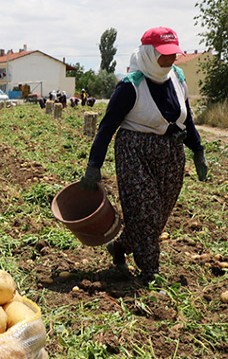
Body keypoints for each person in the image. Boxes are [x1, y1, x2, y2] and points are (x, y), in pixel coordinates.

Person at [80, 27, 209, 283]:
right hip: (135, 153)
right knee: (146, 211)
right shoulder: (131, 86)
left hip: (171, 154)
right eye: (165, 54)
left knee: (156, 217)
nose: (171, 59)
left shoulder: (177, 78)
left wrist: (198, 150)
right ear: (149, 53)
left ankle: (119, 247)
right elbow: (106, 127)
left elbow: (188, 119)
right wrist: (94, 165)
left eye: (174, 54)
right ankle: (150, 272)